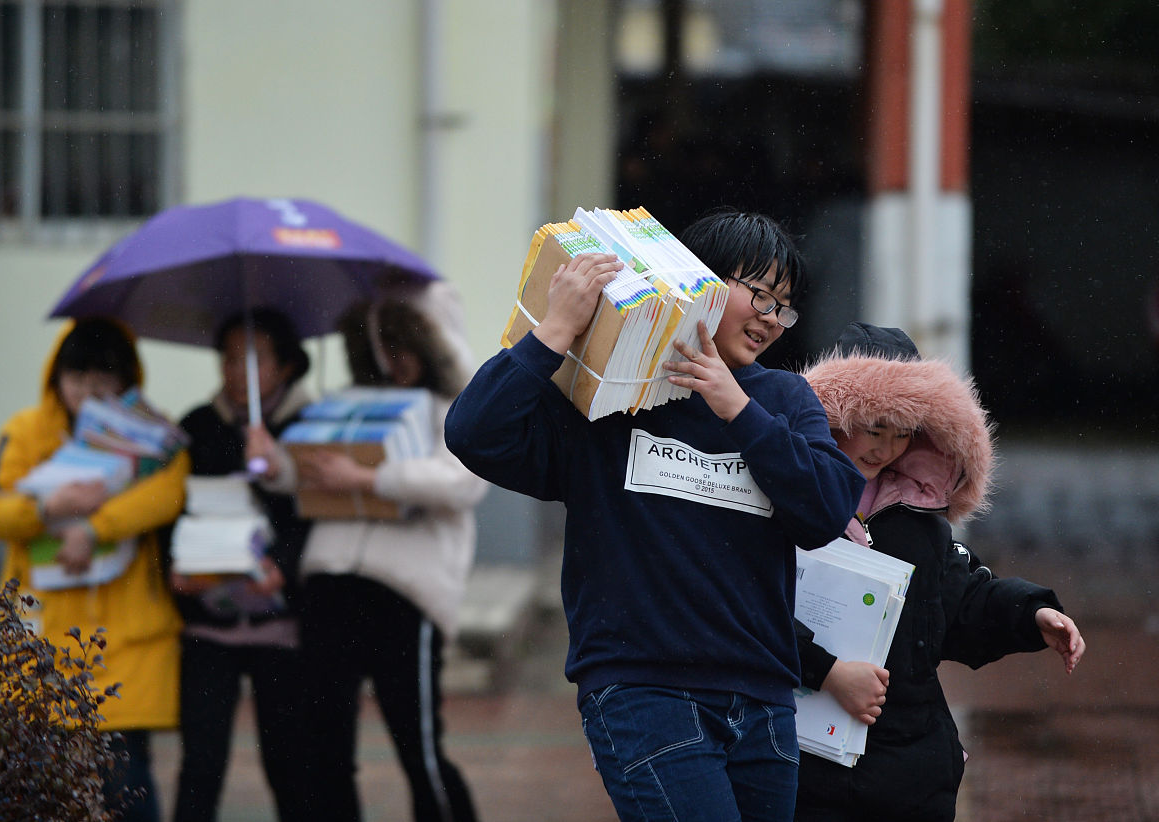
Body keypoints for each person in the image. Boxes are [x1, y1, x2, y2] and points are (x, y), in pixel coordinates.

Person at [444, 209, 867, 822]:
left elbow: (828, 510)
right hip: (644, 693)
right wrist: (555, 329)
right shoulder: (614, 397)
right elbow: (474, 433)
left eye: (785, 305)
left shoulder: (781, 399)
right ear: (696, 282)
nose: (773, 319)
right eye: (760, 295)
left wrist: (737, 409)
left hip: (764, 703)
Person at [793, 322, 1086, 822]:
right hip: (805, 768)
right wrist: (827, 673)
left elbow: (958, 598)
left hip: (911, 773)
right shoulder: (787, 506)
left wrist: (1031, 612)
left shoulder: (919, 521)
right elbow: (750, 613)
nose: (885, 448)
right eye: (874, 427)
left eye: (903, 433)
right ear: (833, 416)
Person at [251, 281, 487, 822]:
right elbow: (302, 471)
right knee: (324, 749)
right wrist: (272, 463)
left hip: (407, 595)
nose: (391, 359)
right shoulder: (349, 401)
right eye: (379, 345)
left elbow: (463, 482)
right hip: (330, 585)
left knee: (419, 749)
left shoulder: (456, 408)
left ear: (432, 343)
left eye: (402, 343)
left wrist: (367, 478)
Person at [0, 317, 188, 822]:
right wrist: (47, 508)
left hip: (126, 640)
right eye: (77, 379)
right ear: (56, 378)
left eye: (103, 381)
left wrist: (95, 527)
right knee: (38, 785)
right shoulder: (25, 431)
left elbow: (169, 491)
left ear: (126, 382)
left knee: (124, 781)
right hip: (41, 638)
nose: (88, 393)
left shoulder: (155, 436)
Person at [167, 308, 314, 822]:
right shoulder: (196, 427)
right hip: (209, 628)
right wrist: (176, 565)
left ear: (286, 365)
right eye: (228, 358)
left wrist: (285, 565)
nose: (235, 371)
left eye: (252, 359)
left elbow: (314, 517)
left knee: (290, 766)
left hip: (282, 627)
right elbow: (172, 512)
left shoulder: (307, 426)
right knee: (200, 766)